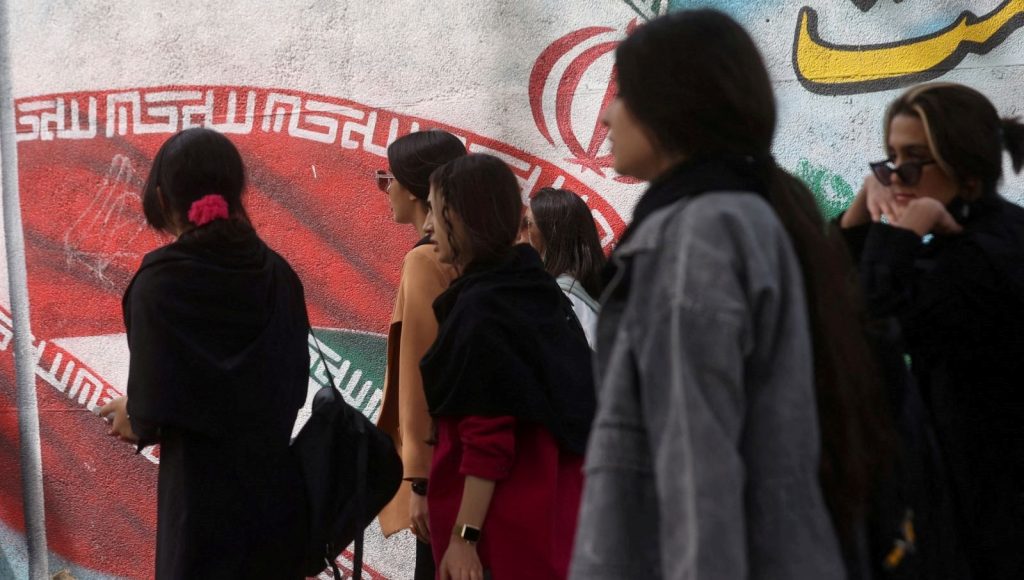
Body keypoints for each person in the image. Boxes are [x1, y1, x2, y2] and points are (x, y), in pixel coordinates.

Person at [570, 10, 891, 579]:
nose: (605, 115)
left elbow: (697, 468)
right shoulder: (747, 212)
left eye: (623, 93)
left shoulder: (696, 232)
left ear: (673, 105)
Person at [98, 128, 309, 579]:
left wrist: (132, 415)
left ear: (161, 197)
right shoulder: (278, 274)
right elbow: (293, 385)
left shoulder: (159, 283)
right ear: (234, 193)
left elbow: (151, 409)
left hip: (198, 514)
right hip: (274, 508)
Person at [839, 82, 1024, 579]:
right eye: (892, 159)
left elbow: (867, 320)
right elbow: (839, 288)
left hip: (993, 510)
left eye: (915, 161)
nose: (896, 176)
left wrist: (897, 235)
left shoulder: (983, 257)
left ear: (965, 169)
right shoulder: (973, 235)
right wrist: (863, 206)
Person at [419, 154, 595, 580]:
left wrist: (465, 537)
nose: (427, 226)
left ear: (462, 218)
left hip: (501, 540)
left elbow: (488, 439)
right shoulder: (531, 290)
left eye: (435, 211)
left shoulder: (485, 308)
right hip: (547, 526)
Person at [373, 129, 466, 579]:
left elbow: (419, 377)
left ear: (413, 188)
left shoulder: (425, 262)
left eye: (386, 179)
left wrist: (419, 479)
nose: (385, 189)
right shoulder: (481, 251)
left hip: (444, 466)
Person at [519, 187, 605, 348]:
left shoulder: (562, 298)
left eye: (528, 224)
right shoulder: (591, 291)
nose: (519, 234)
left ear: (552, 235)